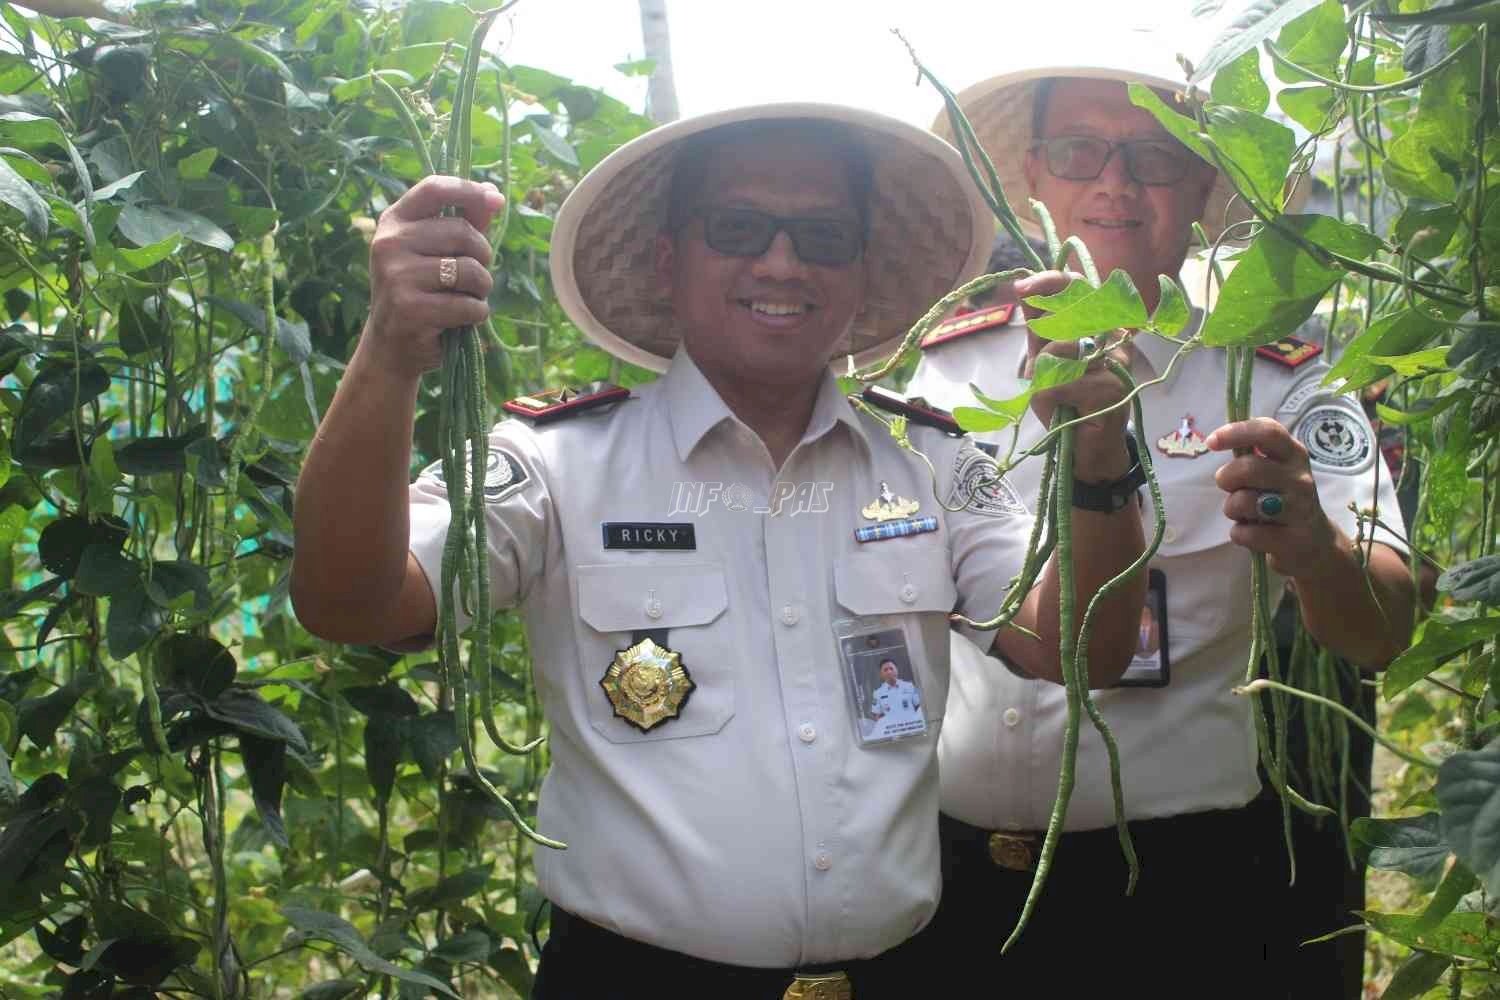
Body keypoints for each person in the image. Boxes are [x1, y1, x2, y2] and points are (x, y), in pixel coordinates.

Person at [290, 102, 1148, 999]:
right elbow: (354, 602)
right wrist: (390, 350)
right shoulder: (558, 462)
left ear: (861, 270)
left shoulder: (929, 462)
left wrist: (1096, 455)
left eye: (823, 237)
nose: (781, 262)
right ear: (670, 259)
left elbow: (1080, 648)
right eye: (737, 227)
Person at [905, 62, 1416, 993]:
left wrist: (1312, 547)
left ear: (1205, 186)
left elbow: (1382, 630)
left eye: (1154, 157)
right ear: (1031, 174)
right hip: (947, 878)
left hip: (1190, 884)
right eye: (1080, 152)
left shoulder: (1280, 381)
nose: (1115, 182)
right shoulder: (936, 376)